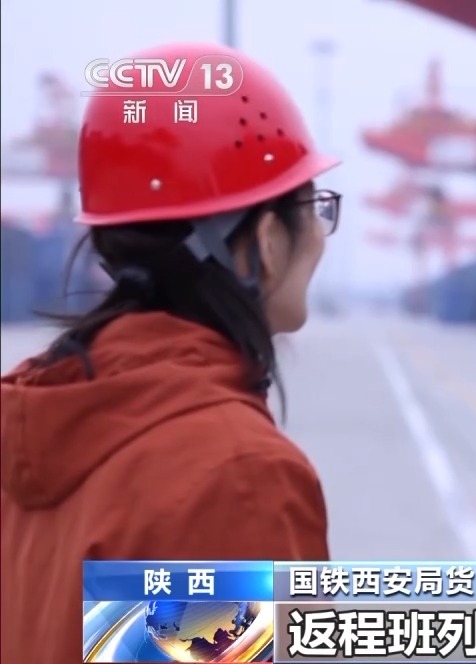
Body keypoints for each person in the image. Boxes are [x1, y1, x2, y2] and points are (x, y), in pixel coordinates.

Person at [0, 42, 340, 663]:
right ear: (265, 241)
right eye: (313, 207)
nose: (320, 236)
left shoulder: (31, 426)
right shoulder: (235, 477)